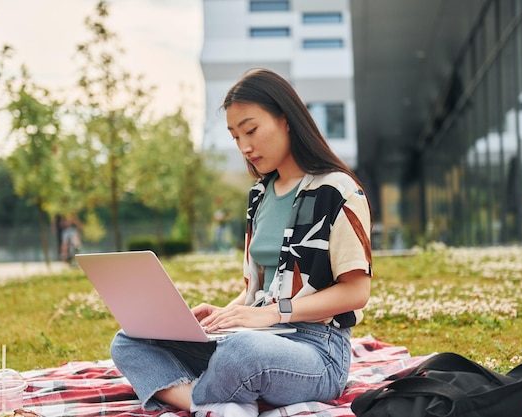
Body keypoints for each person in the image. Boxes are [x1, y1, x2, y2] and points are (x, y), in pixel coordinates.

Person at [110, 68, 373, 417]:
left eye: (250, 130)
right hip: (256, 336)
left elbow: (356, 293)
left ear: (286, 120)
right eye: (235, 137)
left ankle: (200, 397)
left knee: (242, 352)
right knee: (129, 339)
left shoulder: (338, 191)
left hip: (317, 350)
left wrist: (270, 315)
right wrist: (226, 314)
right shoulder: (259, 195)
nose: (245, 146)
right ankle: (214, 404)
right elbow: (261, 290)